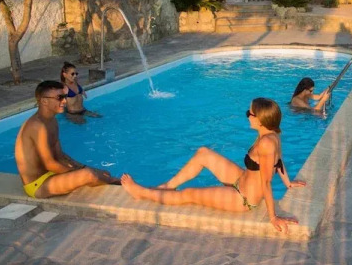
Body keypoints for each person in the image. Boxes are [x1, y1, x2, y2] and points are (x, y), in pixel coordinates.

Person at [121, 98, 305, 233]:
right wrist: (288, 183)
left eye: (249, 113)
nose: (247, 116)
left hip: (243, 198)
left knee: (189, 194)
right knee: (203, 153)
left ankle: (141, 193)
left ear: (260, 120)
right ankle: (168, 186)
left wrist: (273, 217)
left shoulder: (266, 143)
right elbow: (279, 161)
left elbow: (266, 182)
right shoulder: (272, 134)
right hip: (241, 179)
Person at [14, 81, 119, 198]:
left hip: (50, 175)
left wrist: (84, 167)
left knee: (99, 173)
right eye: (59, 97)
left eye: (64, 97)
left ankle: (109, 180)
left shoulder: (52, 121)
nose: (64, 101)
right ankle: (115, 182)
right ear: (44, 101)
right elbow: (49, 164)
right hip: (38, 185)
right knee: (89, 175)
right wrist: (81, 173)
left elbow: (60, 156)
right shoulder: (37, 126)